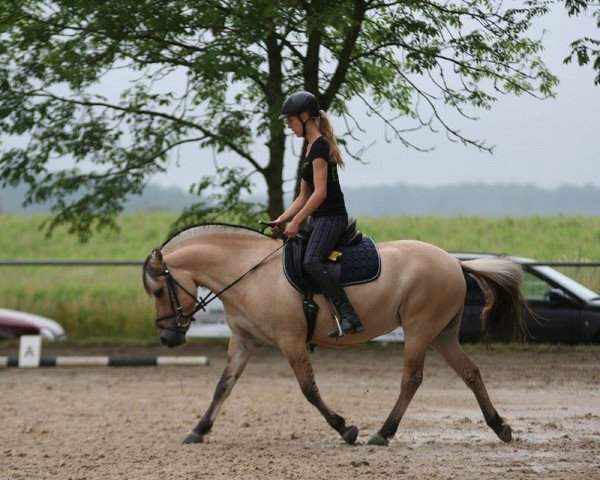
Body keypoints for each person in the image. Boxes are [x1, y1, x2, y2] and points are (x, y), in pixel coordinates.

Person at [270, 91, 364, 338]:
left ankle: (349, 315)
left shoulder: (320, 146)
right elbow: (303, 196)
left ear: (304, 116)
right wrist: (283, 219)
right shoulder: (310, 148)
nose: (289, 127)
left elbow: (320, 193)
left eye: (290, 120)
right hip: (319, 218)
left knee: (311, 260)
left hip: (332, 218)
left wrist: (298, 221)